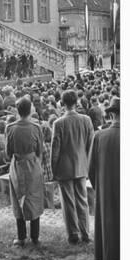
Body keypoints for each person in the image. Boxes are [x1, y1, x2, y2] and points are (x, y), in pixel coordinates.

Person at [51, 90, 94, 244]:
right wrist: (88, 164)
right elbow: (91, 145)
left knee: (68, 202)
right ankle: (86, 233)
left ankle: (73, 234)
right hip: (82, 166)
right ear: (77, 102)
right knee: (83, 201)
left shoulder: (59, 123)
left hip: (64, 168)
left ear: (63, 103)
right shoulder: (86, 120)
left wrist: (53, 170)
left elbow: (55, 150)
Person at [89, 97, 120, 260]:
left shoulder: (100, 136)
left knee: (106, 231)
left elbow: (91, 169)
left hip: (105, 191)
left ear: (111, 114)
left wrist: (99, 185)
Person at [5, 97, 44, 246]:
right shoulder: (36, 127)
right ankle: (35, 236)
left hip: (17, 165)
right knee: (34, 198)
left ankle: (21, 236)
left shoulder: (10, 128)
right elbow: (40, 150)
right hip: (33, 165)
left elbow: (7, 153)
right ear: (30, 110)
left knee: (17, 197)